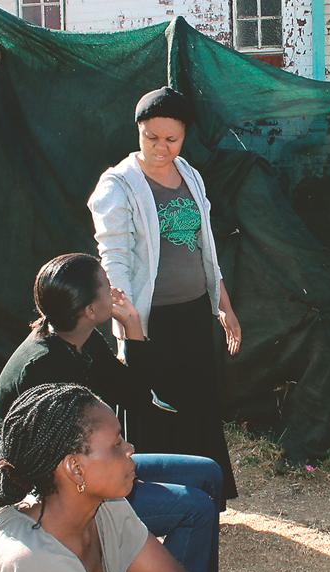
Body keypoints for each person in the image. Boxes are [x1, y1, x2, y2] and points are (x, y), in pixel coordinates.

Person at [0, 253, 227, 572]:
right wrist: (120, 477)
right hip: (59, 490)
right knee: (196, 507)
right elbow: (54, 471)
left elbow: (135, 396)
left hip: (93, 463)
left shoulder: (81, 341)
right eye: (106, 284)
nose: (114, 288)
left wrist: (133, 326)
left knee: (208, 472)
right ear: (90, 310)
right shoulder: (41, 368)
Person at [88, 86, 239, 502]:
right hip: (151, 321)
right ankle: (155, 503)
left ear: (185, 135)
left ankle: (203, 497)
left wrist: (223, 305)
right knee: (154, 409)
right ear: (138, 130)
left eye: (171, 139)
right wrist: (127, 322)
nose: (161, 147)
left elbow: (206, 249)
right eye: (151, 136)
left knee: (197, 405)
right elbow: (114, 258)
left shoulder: (189, 174)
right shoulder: (119, 185)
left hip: (193, 314)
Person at [0, 383, 205, 572]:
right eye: (117, 444)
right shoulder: (36, 565)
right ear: (75, 469)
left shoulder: (105, 506)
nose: (130, 448)